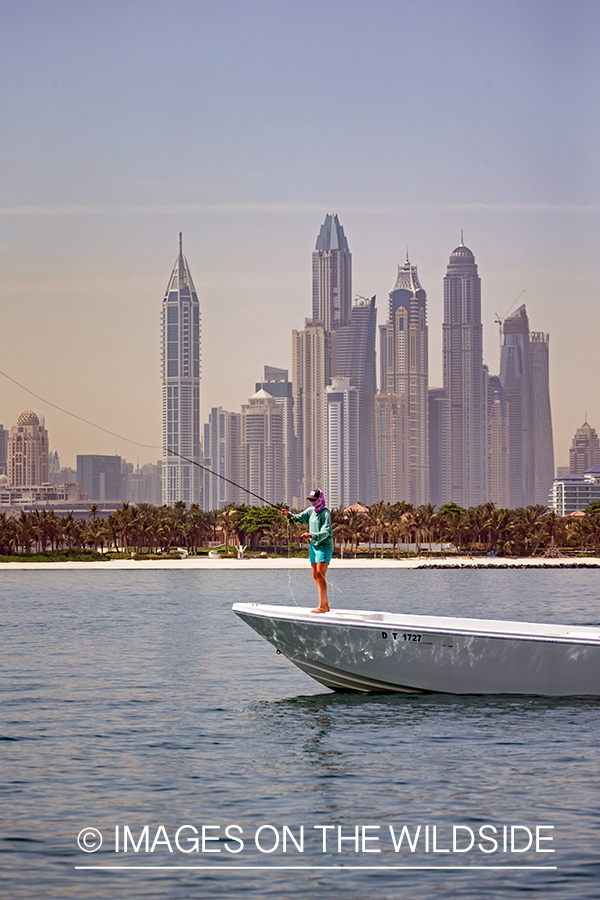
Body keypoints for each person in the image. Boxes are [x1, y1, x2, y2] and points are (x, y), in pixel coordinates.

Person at [282, 489, 333, 613]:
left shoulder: (325, 513)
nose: (312, 502)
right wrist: (288, 515)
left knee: (321, 575)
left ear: (319, 499)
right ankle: (325, 605)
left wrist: (311, 535)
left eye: (314, 500)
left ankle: (321, 606)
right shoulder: (311, 511)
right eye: (310, 500)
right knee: (315, 576)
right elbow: (298, 518)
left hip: (324, 546)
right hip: (313, 547)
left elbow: (326, 532)